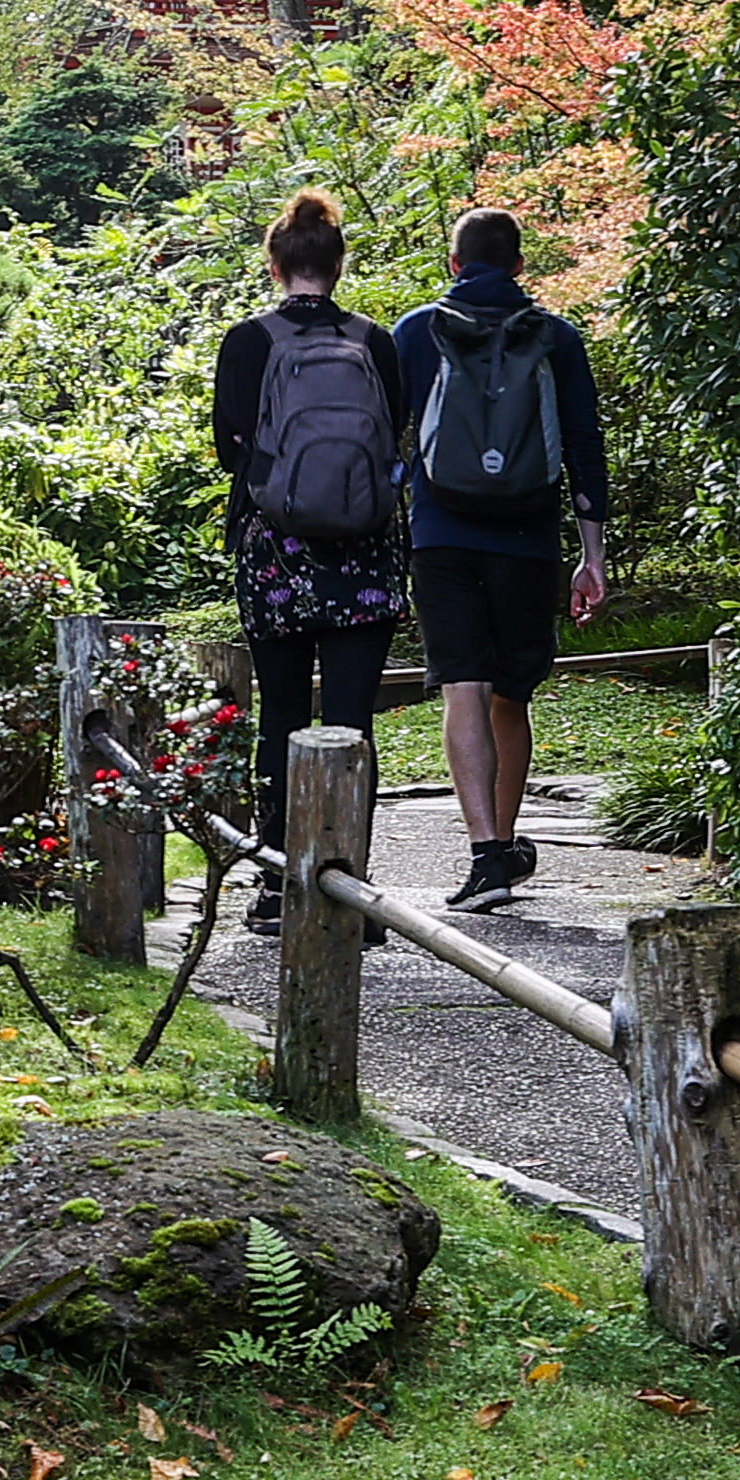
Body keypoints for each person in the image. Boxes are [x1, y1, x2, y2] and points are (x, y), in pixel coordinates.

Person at [390, 208, 611, 911]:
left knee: (463, 686)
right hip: (529, 537)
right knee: (511, 693)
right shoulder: (556, 336)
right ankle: (506, 844)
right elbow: (583, 445)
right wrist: (592, 556)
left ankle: (486, 852)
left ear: (454, 264)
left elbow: (386, 438)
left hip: (441, 534)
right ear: (519, 267)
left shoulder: (415, 332)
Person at [209, 192, 406, 940]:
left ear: (275, 265)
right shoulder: (375, 341)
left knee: (283, 716)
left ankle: (275, 886)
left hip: (277, 553)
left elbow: (231, 447)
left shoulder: (247, 341)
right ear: (337, 262)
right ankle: (352, 887)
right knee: (352, 726)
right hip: (365, 554)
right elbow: (395, 435)